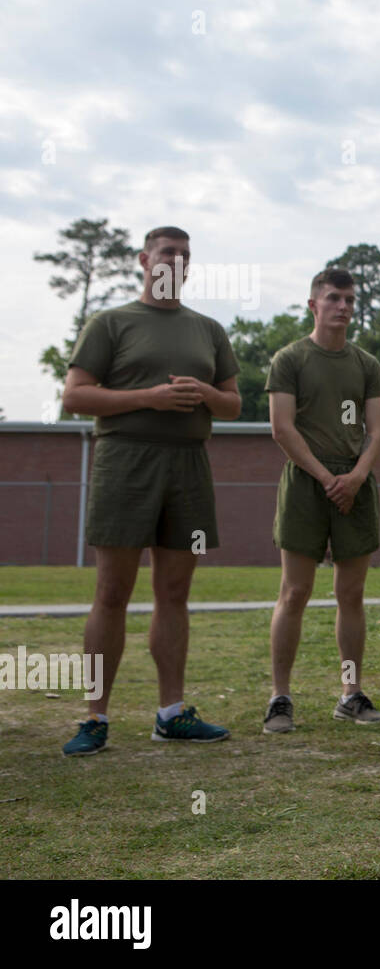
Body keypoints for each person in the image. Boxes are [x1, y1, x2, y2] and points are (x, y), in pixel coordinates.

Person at [60, 225, 241, 756]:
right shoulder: (111, 323)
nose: (176, 261)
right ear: (144, 260)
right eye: (167, 253)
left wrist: (204, 391)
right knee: (112, 594)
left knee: (174, 594)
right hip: (124, 461)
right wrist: (151, 398)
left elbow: (232, 404)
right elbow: (75, 395)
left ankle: (171, 714)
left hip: (188, 465)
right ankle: (95, 717)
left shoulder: (208, 330)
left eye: (185, 255)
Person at [262, 268, 380, 732]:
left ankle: (350, 695)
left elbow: (376, 430)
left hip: (355, 484)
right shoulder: (289, 359)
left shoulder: (366, 364)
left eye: (350, 300)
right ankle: (280, 699)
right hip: (304, 484)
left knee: (350, 594)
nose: (343, 307)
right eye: (334, 298)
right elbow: (282, 428)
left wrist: (354, 477)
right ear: (313, 304)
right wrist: (324, 477)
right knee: (294, 592)